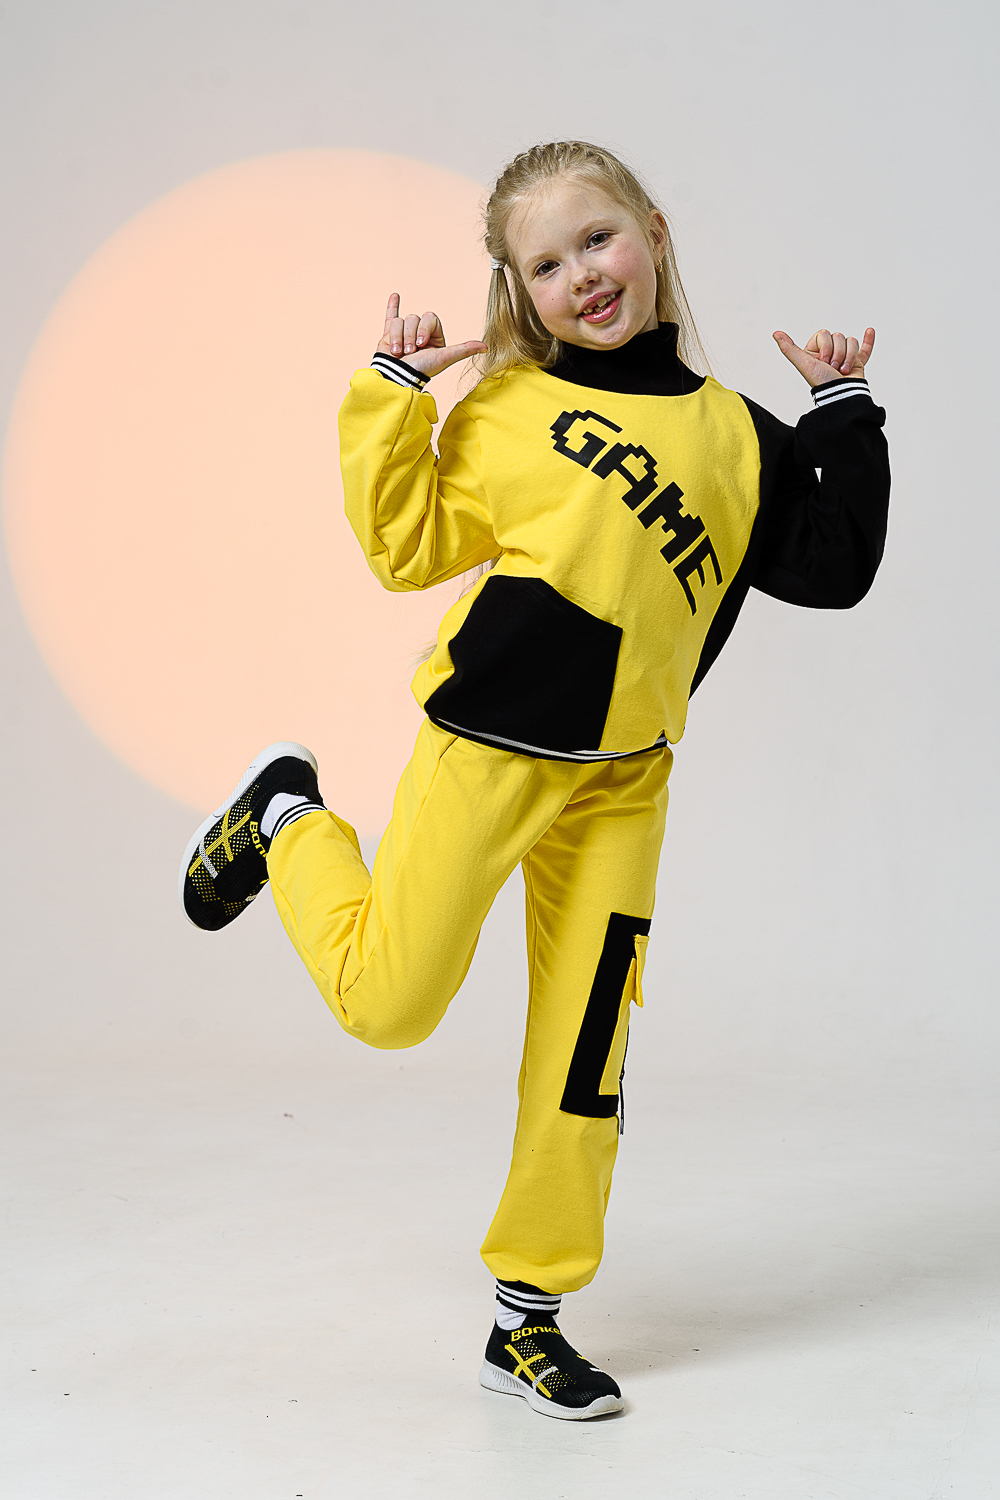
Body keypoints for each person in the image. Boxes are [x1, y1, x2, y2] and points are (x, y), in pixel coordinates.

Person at [179, 140, 889, 1420]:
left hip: (623, 784)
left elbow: (835, 570)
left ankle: (527, 1320)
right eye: (546, 264)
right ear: (520, 290)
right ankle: (284, 812)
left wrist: (844, 413)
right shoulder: (507, 409)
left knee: (584, 1057)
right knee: (387, 1006)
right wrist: (391, 395)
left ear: (654, 231)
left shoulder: (739, 438)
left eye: (597, 239)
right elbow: (404, 548)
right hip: (489, 752)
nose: (583, 276)